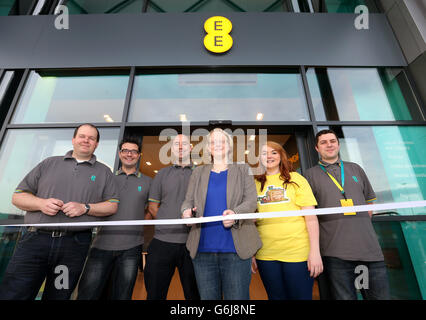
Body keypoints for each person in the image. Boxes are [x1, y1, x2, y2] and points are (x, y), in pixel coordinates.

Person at [0, 123, 119, 300]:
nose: (86, 140)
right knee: (15, 293)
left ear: (96, 144)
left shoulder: (104, 172)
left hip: (73, 247)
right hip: (34, 242)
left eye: (91, 138)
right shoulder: (48, 163)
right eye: (82, 136)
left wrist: (85, 207)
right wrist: (40, 203)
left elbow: (112, 205)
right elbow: (17, 196)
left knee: (59, 295)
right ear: (73, 140)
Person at [304, 129, 390, 300]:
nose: (329, 145)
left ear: (338, 144)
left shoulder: (355, 168)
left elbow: (369, 203)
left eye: (332, 141)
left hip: (370, 251)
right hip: (336, 254)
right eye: (323, 142)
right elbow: (309, 213)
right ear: (316, 148)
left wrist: (358, 226)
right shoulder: (309, 175)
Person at [181, 128, 262, 300]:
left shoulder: (243, 169)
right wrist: (186, 213)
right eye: (212, 142)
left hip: (236, 251)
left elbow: (251, 201)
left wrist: (235, 213)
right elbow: (187, 202)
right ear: (208, 148)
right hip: (202, 251)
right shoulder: (198, 172)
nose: (217, 145)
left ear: (229, 146)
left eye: (222, 141)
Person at [77, 138, 151, 300]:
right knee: (88, 294)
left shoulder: (148, 182)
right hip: (101, 245)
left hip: (131, 248)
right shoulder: (107, 177)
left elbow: (149, 211)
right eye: (125, 150)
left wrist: (135, 224)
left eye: (133, 151)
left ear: (139, 155)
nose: (129, 154)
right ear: (119, 153)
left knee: (122, 295)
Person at [252, 141, 322, 300]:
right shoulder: (254, 183)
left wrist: (315, 252)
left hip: (297, 252)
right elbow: (251, 222)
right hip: (266, 254)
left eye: (273, 152)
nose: (269, 156)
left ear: (281, 156)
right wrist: (252, 253)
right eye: (264, 153)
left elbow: (311, 217)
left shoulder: (297, 179)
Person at [143, 134, 200, 300]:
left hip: (192, 244)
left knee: (195, 295)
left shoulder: (201, 174)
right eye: (176, 144)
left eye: (184, 144)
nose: (180, 147)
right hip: (162, 242)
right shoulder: (161, 174)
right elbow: (153, 206)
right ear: (172, 149)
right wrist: (167, 224)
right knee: (154, 294)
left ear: (191, 148)